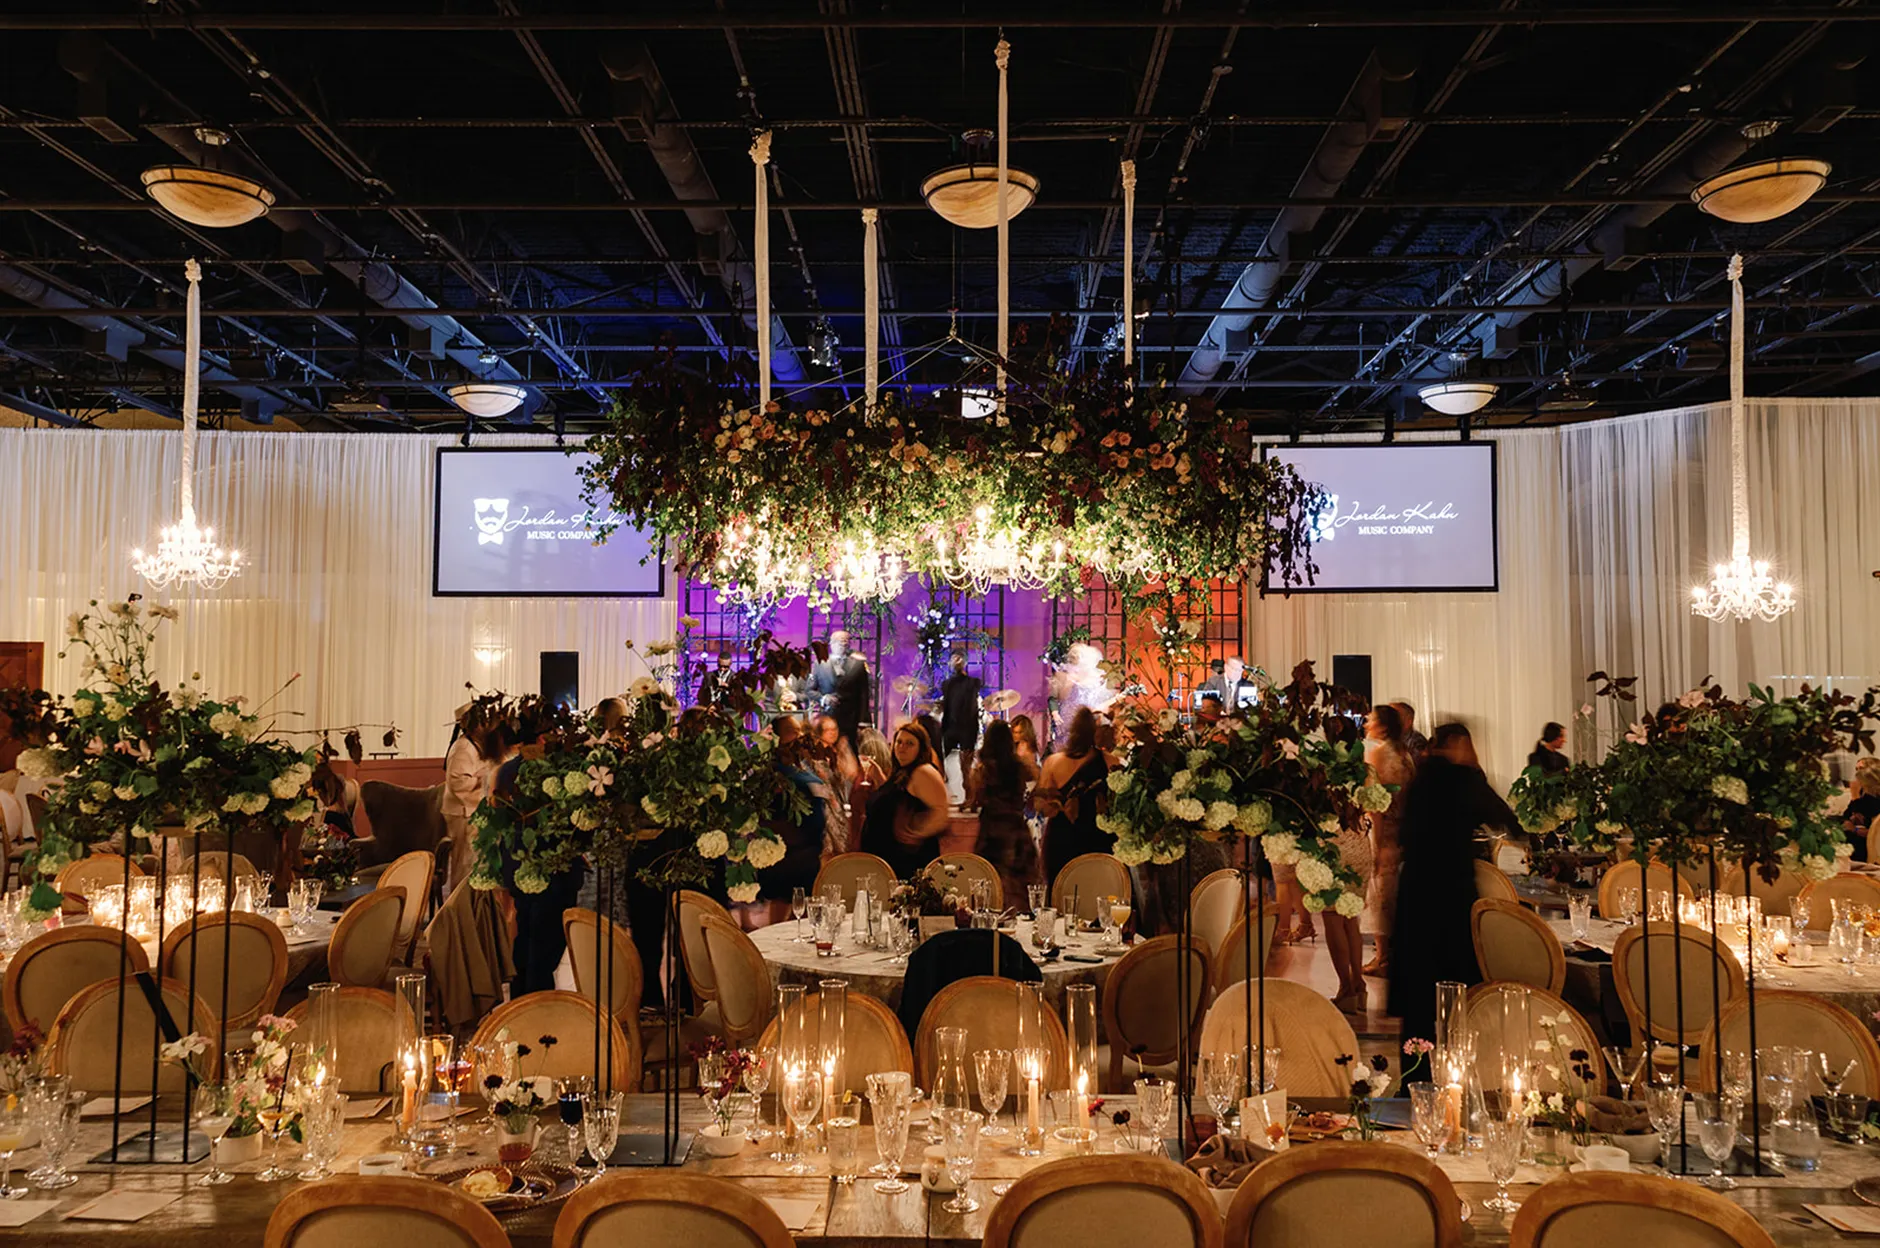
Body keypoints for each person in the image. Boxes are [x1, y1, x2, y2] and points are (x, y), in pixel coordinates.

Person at [1388, 723, 1519, 1054]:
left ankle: (1414, 1072)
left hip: (1416, 892)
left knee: (1418, 990)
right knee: (1455, 986)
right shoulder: (1466, 781)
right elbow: (1505, 819)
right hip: (1451, 894)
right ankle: (1456, 1067)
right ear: (1461, 745)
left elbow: (1404, 834)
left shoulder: (1419, 779)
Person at [497, 705, 584, 998]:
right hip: (553, 869)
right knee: (545, 945)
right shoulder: (558, 772)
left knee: (526, 935)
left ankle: (523, 1000)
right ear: (545, 736)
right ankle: (539, 1004)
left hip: (519, 867)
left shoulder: (507, 771)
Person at [755, 717, 828, 920]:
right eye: (790, 731)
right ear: (776, 737)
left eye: (799, 730)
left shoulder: (804, 765)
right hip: (788, 853)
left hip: (810, 849)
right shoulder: (772, 771)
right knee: (783, 901)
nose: (798, 736)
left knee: (803, 905)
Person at [1363, 704, 1416, 977]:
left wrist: (1377, 843)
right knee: (1393, 895)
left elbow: (1376, 804)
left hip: (1384, 831)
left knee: (1380, 895)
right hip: (1403, 832)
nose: (1365, 722)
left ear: (1381, 726)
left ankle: (1382, 957)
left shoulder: (1378, 755)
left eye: (1370, 719)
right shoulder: (1404, 754)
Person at [859, 721, 950, 878]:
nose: (902, 747)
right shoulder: (903, 772)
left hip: (906, 863)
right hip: (888, 862)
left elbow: (941, 812)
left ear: (920, 748)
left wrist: (916, 833)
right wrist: (880, 779)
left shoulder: (923, 771)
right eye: (899, 742)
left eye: (910, 744)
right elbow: (896, 800)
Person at [1036, 707, 1112, 885]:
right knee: (1097, 890)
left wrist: (1057, 803)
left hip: (1061, 837)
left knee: (1061, 892)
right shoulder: (1109, 761)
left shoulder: (1053, 762)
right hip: (1097, 835)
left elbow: (1043, 807)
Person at [968, 720, 1039, 905]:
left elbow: (975, 799)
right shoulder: (1020, 767)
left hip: (992, 830)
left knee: (989, 881)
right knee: (1020, 885)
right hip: (1016, 828)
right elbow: (1035, 785)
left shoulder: (983, 769)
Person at [442, 706, 503, 895]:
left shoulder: (477, 745)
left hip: (473, 812)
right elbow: (459, 783)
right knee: (465, 866)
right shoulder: (463, 748)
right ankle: (461, 908)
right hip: (463, 814)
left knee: (477, 864)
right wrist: (484, 777)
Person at [813, 630, 872, 747]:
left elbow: (864, 694)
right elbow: (810, 690)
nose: (844, 644)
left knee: (849, 748)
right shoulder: (820, 664)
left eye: (846, 642)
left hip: (850, 718)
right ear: (831, 644)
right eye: (840, 642)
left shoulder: (858, 665)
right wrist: (823, 698)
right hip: (828, 717)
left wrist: (863, 720)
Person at [939, 654, 984, 790]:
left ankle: (970, 795)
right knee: (939, 758)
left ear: (964, 662)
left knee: (966, 765)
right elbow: (947, 706)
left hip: (967, 727)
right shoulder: (947, 684)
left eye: (959, 659)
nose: (956, 661)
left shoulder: (973, 682)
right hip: (951, 727)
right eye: (953, 659)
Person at [1845, 758, 1880, 862]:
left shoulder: (1875, 798)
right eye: (1857, 769)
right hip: (1859, 836)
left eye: (1862, 769)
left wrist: (1854, 829)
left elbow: (1874, 834)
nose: (1858, 773)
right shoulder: (1864, 795)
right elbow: (1847, 815)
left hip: (1869, 845)